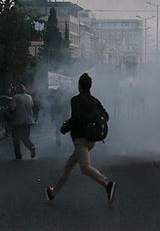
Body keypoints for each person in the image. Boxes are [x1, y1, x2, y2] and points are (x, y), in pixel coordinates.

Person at [46, 73, 116, 206]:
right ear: (90, 86)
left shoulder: (76, 100)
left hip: (81, 140)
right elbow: (106, 116)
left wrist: (64, 128)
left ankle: (107, 184)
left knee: (85, 167)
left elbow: (76, 119)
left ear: (79, 86)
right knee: (69, 166)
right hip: (91, 139)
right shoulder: (95, 100)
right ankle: (53, 192)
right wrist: (93, 121)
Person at [10, 84, 36, 160]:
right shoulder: (29, 96)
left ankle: (18, 156)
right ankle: (31, 146)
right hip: (29, 120)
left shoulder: (15, 97)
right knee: (25, 137)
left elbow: (13, 108)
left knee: (16, 138)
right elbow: (32, 105)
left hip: (18, 121)